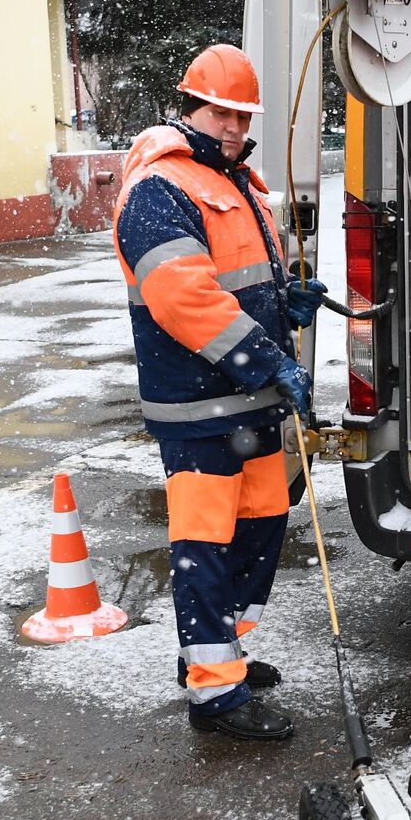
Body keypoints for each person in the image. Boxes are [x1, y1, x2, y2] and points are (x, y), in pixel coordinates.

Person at [112, 43, 325, 741]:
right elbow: (184, 298)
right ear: (188, 107)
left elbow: (239, 279)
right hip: (199, 409)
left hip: (249, 403)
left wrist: (286, 298)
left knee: (261, 526)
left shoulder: (233, 180)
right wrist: (268, 357)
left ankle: (221, 655)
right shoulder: (160, 187)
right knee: (206, 542)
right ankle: (213, 697)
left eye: (242, 114)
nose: (233, 126)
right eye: (220, 112)